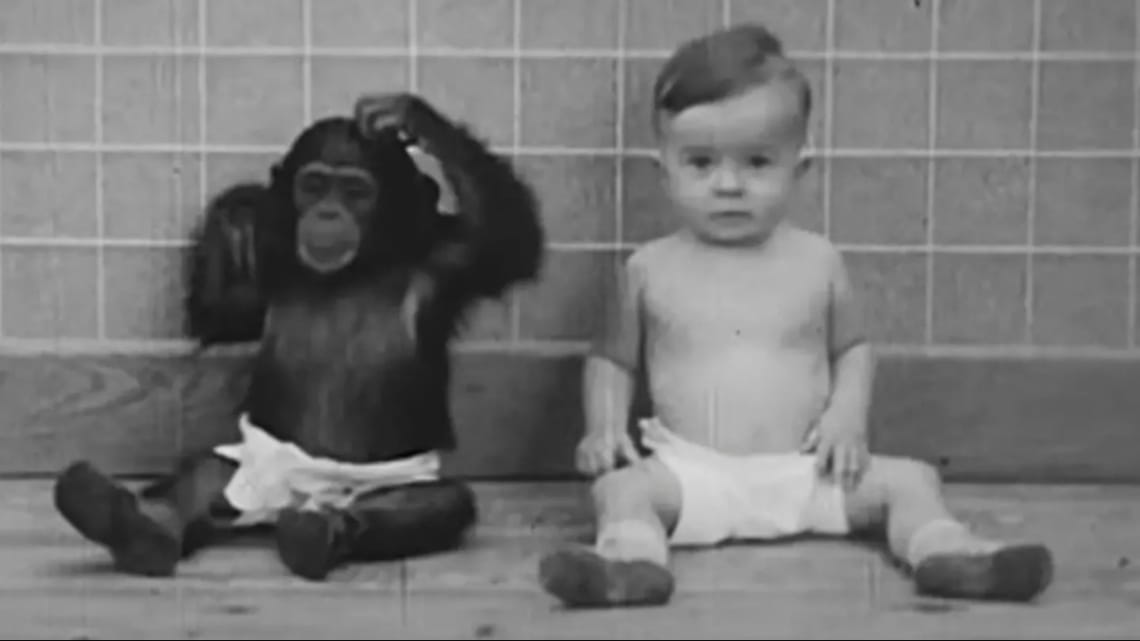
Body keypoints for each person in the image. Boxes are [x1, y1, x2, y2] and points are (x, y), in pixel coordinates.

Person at [536, 22, 1054, 609]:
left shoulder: (818, 260)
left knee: (912, 480)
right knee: (620, 490)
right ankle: (629, 563)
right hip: (692, 475)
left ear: (798, 168)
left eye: (757, 162)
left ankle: (947, 553)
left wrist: (846, 418)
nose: (728, 185)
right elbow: (612, 359)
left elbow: (852, 348)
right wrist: (604, 426)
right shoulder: (649, 268)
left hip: (810, 473)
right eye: (700, 163)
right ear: (665, 170)